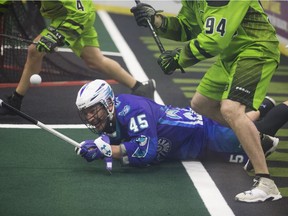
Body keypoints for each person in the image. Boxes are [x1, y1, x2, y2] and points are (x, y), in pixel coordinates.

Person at [130, 1, 281, 202]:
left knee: (231, 108)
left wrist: (178, 59)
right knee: (201, 104)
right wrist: (156, 20)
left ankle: (266, 182)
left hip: (256, 49)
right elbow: (187, 27)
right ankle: (261, 140)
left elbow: (214, 41)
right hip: (232, 54)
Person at [74, 79, 285, 202]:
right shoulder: (118, 112)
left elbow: (146, 152)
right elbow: (120, 137)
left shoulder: (134, 110)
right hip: (193, 135)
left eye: (94, 111)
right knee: (244, 122)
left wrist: (109, 150)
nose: (91, 118)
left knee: (257, 133)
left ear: (109, 103)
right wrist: (98, 145)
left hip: (204, 135)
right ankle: (264, 105)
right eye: (87, 113)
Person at [0, 0, 155, 115]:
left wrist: (58, 36)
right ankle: (140, 87)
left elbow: (81, 13)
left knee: (34, 50)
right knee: (95, 60)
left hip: (78, 16)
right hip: (64, 16)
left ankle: (16, 100)